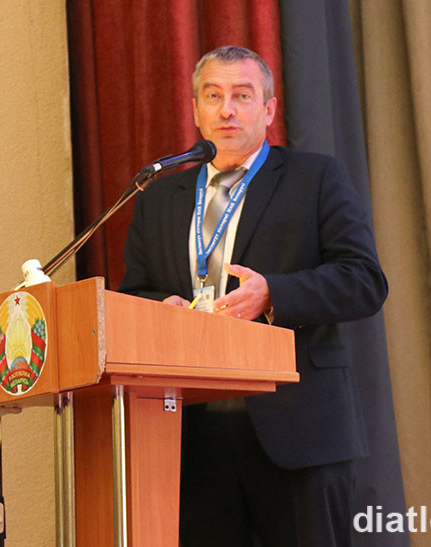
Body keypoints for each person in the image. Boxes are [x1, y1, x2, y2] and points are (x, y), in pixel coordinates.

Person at [118, 45, 388, 547]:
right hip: (193, 436)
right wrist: (161, 312)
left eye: (242, 96)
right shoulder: (158, 199)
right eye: (213, 96)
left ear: (268, 109)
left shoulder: (314, 178)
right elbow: (134, 293)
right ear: (195, 110)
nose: (227, 109)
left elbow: (364, 281)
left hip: (298, 430)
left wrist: (273, 294)